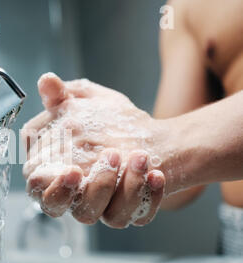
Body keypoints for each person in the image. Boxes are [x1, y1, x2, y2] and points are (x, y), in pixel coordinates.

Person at [21, 0, 243, 228]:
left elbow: (170, 145)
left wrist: (154, 142)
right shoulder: (181, 8)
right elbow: (178, 182)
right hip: (233, 230)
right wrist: (125, 155)